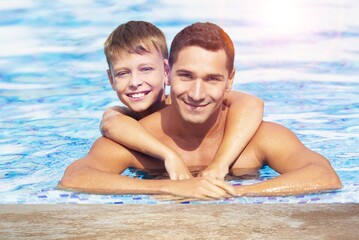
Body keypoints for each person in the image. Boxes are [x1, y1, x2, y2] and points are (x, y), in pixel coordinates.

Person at [59, 22, 342, 199]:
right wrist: (168, 187)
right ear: (169, 75)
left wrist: (230, 192)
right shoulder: (134, 137)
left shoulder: (255, 134)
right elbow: (74, 178)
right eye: (186, 76)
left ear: (230, 80)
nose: (196, 94)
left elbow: (324, 176)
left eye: (212, 79)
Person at [100, 21, 264, 180]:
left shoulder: (190, 100)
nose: (134, 82)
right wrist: (169, 155)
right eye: (122, 73)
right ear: (111, 79)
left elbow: (251, 103)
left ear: (167, 71)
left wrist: (221, 162)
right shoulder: (124, 116)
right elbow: (110, 124)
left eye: (146, 69)